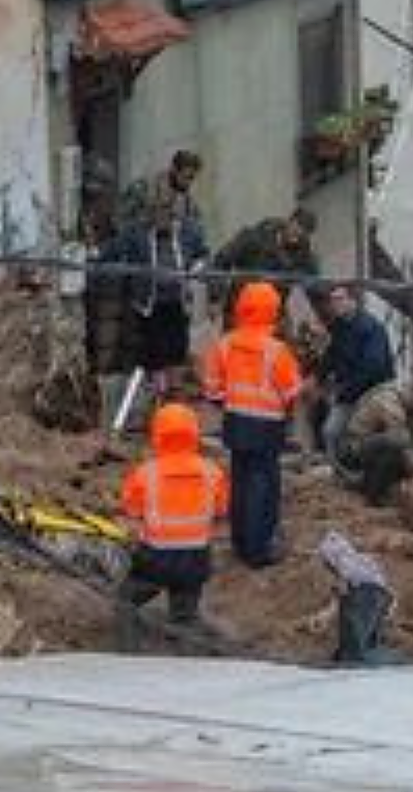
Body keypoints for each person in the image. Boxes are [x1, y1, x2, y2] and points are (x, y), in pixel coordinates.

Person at [203, 281, 303, 568]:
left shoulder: (224, 345)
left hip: (235, 421)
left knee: (241, 481)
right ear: (273, 310)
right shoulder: (277, 350)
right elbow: (292, 392)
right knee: (264, 485)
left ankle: (240, 541)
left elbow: (212, 390)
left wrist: (232, 403)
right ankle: (259, 550)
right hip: (268, 425)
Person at [116, 403, 228, 650]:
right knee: (184, 614)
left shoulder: (145, 474)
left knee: (125, 600)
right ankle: (185, 655)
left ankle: (128, 654)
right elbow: (221, 511)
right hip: (196, 559)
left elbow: (131, 512)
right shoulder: (212, 472)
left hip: (156, 558)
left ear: (157, 434)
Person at [98, 199, 209, 398]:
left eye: (168, 213)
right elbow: (111, 252)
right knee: (154, 353)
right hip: (150, 303)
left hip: (179, 301)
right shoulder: (137, 233)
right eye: (158, 213)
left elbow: (203, 255)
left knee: (177, 350)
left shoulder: (188, 233)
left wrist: (194, 272)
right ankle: (158, 394)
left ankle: (174, 393)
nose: (163, 219)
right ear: (151, 214)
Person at [317, 283, 395, 465]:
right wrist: (317, 377)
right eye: (333, 300)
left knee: (347, 433)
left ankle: (355, 473)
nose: (335, 304)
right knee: (331, 432)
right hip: (349, 391)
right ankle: (339, 472)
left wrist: (344, 391)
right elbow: (332, 354)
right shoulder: (339, 326)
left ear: (353, 301)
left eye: (340, 299)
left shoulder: (371, 328)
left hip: (373, 393)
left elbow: (374, 368)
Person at [335, 379, 413, 505]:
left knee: (399, 452)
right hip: (352, 448)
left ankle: (365, 482)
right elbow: (403, 444)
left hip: (370, 446)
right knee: (395, 445)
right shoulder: (389, 400)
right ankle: (373, 493)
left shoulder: (410, 406)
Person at [214, 209, 321, 326]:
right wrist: (214, 298)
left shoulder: (304, 254)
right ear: (289, 222)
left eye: (302, 235)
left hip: (272, 313)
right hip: (240, 307)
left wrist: (329, 320)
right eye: (295, 230)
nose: (296, 237)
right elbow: (223, 259)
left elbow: (315, 287)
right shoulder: (254, 237)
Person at [318, 531, 399, 666]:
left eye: (326, 562)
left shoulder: (344, 564)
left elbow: (342, 589)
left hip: (363, 598)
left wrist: (326, 613)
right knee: (368, 640)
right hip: (379, 597)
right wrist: (390, 605)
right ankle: (368, 655)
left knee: (355, 647)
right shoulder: (363, 560)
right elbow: (387, 588)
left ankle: (379, 660)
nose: (326, 566)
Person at [119, 150, 204, 237]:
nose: (188, 183)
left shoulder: (188, 203)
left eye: (192, 178)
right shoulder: (143, 189)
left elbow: (196, 230)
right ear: (174, 169)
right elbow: (122, 219)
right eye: (186, 177)